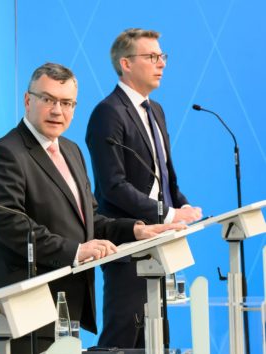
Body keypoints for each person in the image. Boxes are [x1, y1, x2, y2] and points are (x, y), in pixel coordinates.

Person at [0, 62, 185, 353]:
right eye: (47, 99)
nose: (57, 111)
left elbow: (91, 222)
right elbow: (11, 228)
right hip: (24, 305)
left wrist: (136, 229)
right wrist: (76, 251)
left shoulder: (72, 151)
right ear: (27, 100)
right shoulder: (5, 154)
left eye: (66, 103)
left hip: (67, 299)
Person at [85, 28, 202, 348]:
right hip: (128, 245)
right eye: (151, 57)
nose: (161, 63)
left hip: (160, 246)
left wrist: (183, 206)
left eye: (162, 56)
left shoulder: (157, 110)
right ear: (125, 63)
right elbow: (113, 186)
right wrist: (166, 214)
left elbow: (164, 175)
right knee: (124, 338)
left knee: (156, 339)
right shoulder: (107, 113)